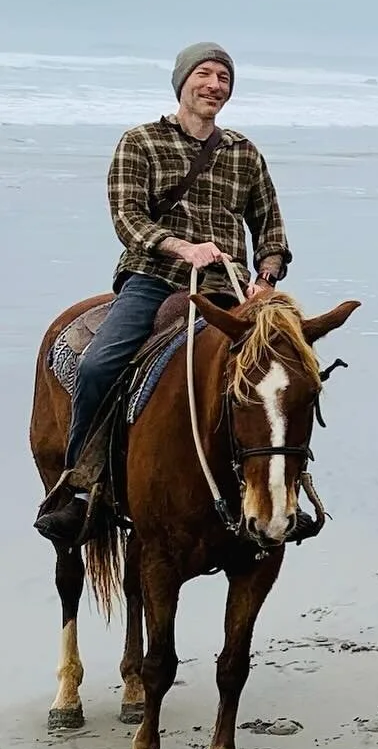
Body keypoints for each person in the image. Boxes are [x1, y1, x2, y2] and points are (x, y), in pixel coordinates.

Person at [34, 43, 292, 546]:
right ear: (182, 82)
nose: (214, 85)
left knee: (286, 375)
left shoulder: (244, 152)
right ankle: (84, 487)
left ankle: (287, 491)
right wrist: (181, 247)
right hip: (152, 278)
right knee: (98, 365)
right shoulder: (141, 142)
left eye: (224, 77)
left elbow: (271, 227)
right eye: (204, 73)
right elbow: (127, 217)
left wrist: (267, 274)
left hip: (230, 288)